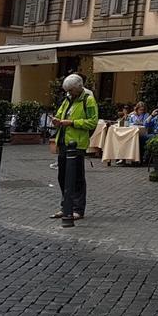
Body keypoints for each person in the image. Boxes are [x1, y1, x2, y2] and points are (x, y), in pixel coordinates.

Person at [50, 74, 98, 220]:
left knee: (76, 178)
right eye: (67, 91)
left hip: (77, 144)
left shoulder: (88, 100)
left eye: (71, 90)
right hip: (64, 142)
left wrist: (72, 123)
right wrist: (57, 121)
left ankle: (77, 209)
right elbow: (60, 114)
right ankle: (65, 206)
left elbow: (92, 122)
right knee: (62, 176)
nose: (69, 93)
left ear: (78, 88)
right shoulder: (67, 99)